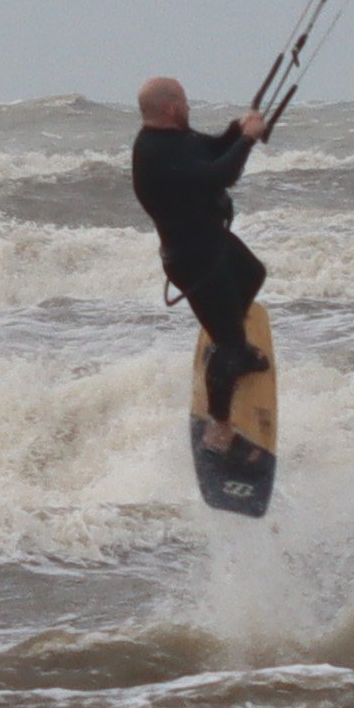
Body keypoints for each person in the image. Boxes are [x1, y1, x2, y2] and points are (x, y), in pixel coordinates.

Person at [132, 77, 269, 451]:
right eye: (185, 102)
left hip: (211, 241)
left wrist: (236, 130)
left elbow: (211, 150)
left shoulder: (176, 139)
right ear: (172, 108)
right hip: (193, 261)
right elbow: (220, 175)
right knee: (229, 344)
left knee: (253, 274)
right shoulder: (154, 153)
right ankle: (218, 429)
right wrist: (248, 140)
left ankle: (227, 337)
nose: (189, 107)